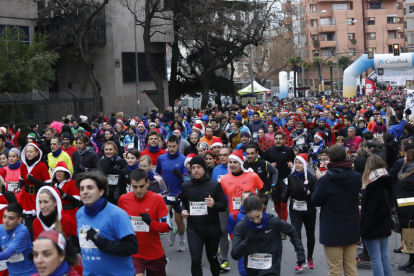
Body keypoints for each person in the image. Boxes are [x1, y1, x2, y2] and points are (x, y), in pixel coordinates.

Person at [75, 171, 138, 276]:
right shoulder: (80, 213)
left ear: (101, 192)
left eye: (90, 188)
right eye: (82, 189)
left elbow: (132, 247)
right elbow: (83, 243)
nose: (85, 192)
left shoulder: (117, 214)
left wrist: (102, 242)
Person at [312, 145, 361, 276]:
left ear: (330, 158)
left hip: (332, 228)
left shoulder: (325, 180)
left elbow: (315, 201)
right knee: (351, 268)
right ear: (345, 157)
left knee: (335, 269)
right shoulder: (356, 177)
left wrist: (319, 180)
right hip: (351, 226)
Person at [231, 195, 306, 276]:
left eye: (258, 216)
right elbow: (235, 254)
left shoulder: (274, 222)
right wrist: (247, 240)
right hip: (252, 269)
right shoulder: (241, 226)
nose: (256, 221)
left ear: (262, 208)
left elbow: (292, 231)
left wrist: (300, 253)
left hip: (271, 267)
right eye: (251, 218)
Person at [118, 169, 171, 276]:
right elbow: (118, 225)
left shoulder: (157, 199)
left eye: (141, 186)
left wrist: (150, 222)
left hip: (154, 253)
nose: (138, 190)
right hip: (134, 253)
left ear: (147, 183)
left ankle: (164, 262)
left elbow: (166, 227)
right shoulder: (123, 200)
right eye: (134, 186)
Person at [180, 156, 227, 276]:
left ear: (204, 168)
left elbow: (223, 206)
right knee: (195, 260)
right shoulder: (186, 186)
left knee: (212, 259)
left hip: (212, 229)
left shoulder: (214, 185)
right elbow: (183, 203)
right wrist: (183, 210)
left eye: (199, 167)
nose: (196, 170)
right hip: (194, 229)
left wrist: (214, 204)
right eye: (193, 167)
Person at [281, 153, 317, 271]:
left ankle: (310, 257)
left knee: (310, 235)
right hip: (295, 210)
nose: (297, 165)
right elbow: (287, 190)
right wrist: (283, 196)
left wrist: (309, 193)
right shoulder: (291, 176)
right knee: (296, 235)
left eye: (300, 163)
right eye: (296, 162)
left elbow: (316, 195)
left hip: (309, 210)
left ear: (305, 164)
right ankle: (300, 259)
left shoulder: (311, 178)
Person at [360, 155, 393, 276]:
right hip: (385, 223)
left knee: (375, 258)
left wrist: (361, 231)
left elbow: (368, 213)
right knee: (384, 256)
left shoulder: (372, 186)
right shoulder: (388, 181)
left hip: (372, 227)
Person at [156, 135, 188, 252]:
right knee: (163, 217)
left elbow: (186, 177)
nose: (171, 148)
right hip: (166, 193)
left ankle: (181, 240)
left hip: (178, 194)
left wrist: (179, 175)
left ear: (178, 145)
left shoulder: (183, 159)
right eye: (169, 146)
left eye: (174, 146)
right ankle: (171, 230)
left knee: (179, 220)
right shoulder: (161, 158)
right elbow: (157, 172)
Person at [19, 143, 51, 239]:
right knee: (29, 227)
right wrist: (18, 187)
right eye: (27, 151)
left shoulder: (42, 166)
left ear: (36, 153)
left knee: (40, 224)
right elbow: (21, 180)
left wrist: (34, 180)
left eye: (31, 151)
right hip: (26, 198)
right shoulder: (23, 166)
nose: (28, 154)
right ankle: (31, 247)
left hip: (39, 197)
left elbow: (48, 185)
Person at [264, 132, 296, 226]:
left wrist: (292, 165)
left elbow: (296, 161)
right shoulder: (269, 151)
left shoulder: (289, 150)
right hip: (274, 180)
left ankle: (283, 224)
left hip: (285, 179)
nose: (278, 140)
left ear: (284, 140)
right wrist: (269, 166)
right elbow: (263, 164)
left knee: (283, 203)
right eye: (276, 139)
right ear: (274, 140)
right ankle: (281, 219)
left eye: (280, 139)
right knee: (277, 205)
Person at [0, 203, 37, 276]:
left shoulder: (22, 231)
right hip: (12, 273)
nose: (6, 221)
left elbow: (6, 254)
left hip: (29, 273)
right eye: (4, 217)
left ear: (19, 220)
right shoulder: (1, 228)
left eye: (11, 218)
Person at [226, 191, 254, 276]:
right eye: (245, 200)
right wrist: (235, 240)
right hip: (242, 247)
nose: (247, 202)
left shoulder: (260, 215)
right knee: (243, 271)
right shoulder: (234, 216)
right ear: (241, 201)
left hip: (257, 247)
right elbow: (230, 229)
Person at [396, 149, 414, 271]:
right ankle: (411, 261)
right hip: (403, 208)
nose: (403, 157)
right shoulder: (405, 168)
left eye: (405, 156)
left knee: (411, 236)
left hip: (410, 210)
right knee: (407, 236)